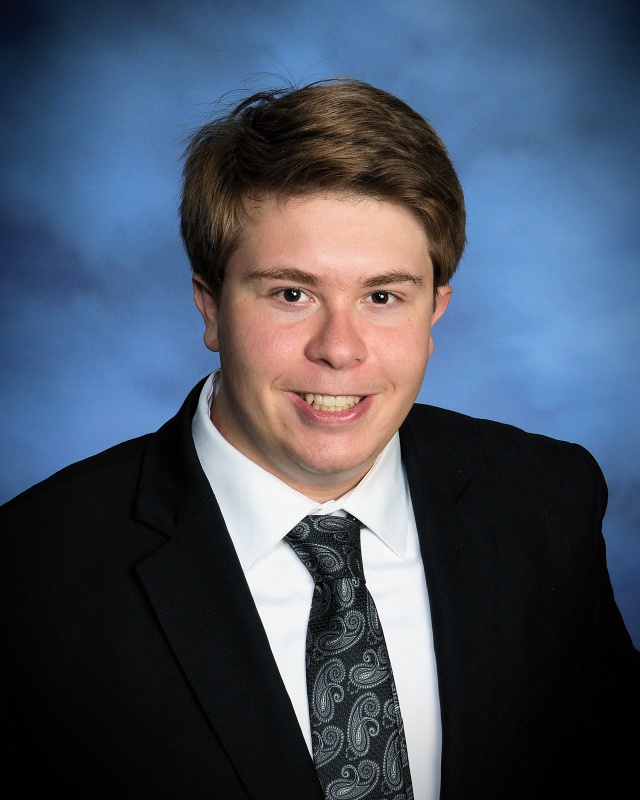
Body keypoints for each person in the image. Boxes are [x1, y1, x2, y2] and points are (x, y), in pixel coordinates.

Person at [0, 79, 638, 800]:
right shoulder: (32, 575)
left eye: (382, 296)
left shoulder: (546, 503)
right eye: (291, 294)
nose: (339, 349)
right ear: (209, 307)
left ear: (434, 313)